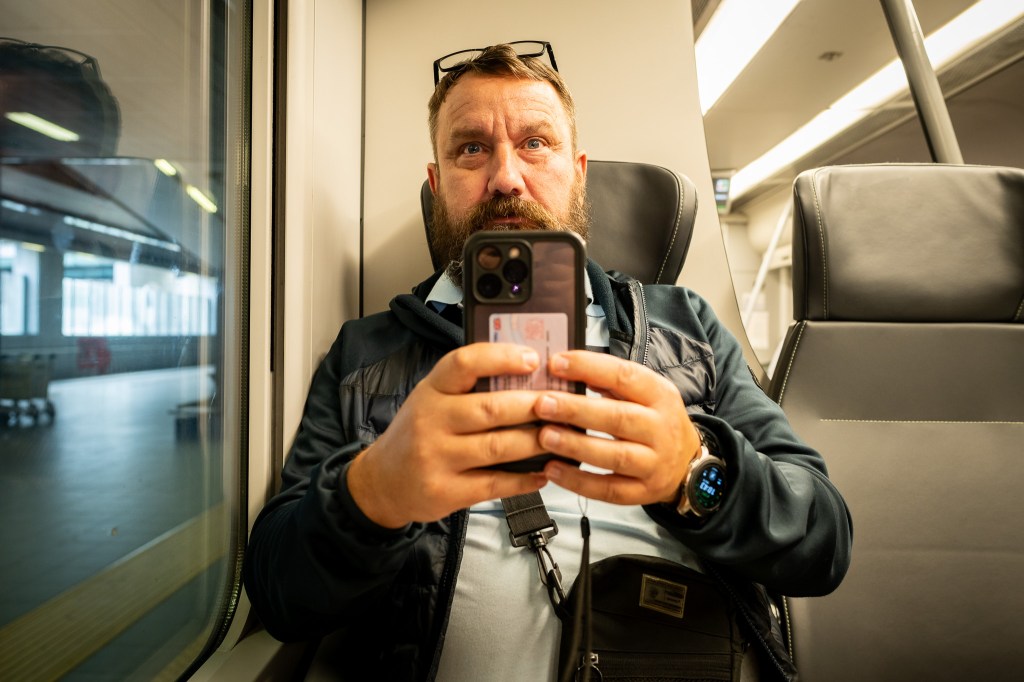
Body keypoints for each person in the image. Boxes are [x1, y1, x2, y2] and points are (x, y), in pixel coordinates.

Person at [244, 42, 852, 681]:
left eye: (535, 143)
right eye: (471, 149)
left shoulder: (685, 326)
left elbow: (823, 541)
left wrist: (696, 473)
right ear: (437, 184)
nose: (506, 177)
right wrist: (372, 493)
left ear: (578, 173)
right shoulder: (367, 354)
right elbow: (279, 594)